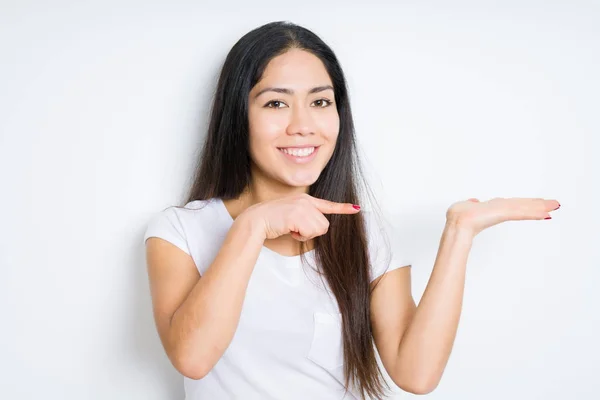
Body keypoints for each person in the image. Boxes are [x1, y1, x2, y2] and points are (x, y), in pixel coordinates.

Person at [143, 21, 560, 400]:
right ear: (238, 116)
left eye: (321, 102)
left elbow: (417, 374)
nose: (302, 125)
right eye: (276, 104)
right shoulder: (181, 231)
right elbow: (193, 358)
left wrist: (459, 233)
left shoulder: (366, 234)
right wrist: (253, 226)